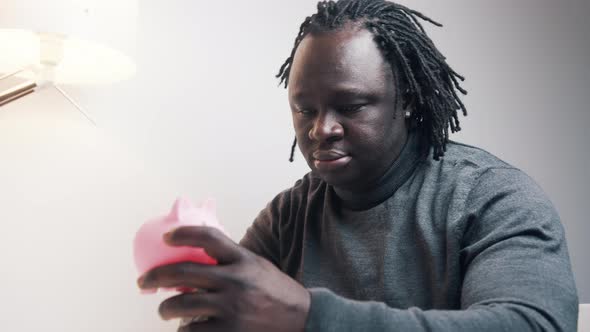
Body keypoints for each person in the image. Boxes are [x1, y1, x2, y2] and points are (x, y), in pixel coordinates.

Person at [137, 0, 579, 330]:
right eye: (304, 109)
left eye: (350, 105)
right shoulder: (289, 215)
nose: (320, 129)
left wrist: (308, 314)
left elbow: (532, 325)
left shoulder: (493, 198)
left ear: (405, 101)